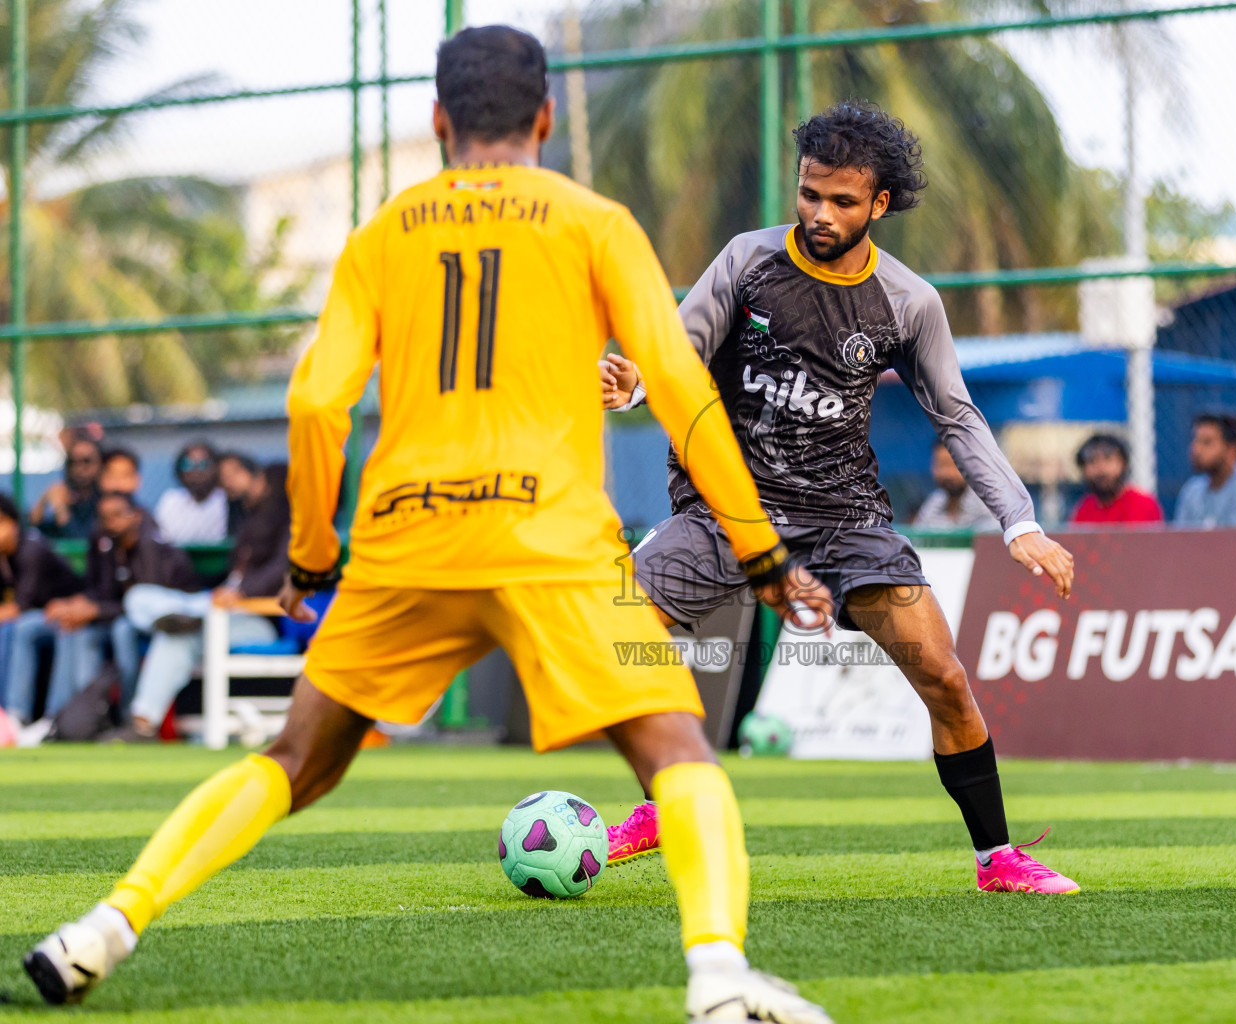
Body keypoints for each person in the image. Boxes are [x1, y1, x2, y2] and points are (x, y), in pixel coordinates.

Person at [25, 26, 837, 1024]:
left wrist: (313, 556)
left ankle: (104, 925)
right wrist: (758, 546)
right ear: (545, 118)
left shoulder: (383, 232)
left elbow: (317, 405)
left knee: (293, 760)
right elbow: (675, 384)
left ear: (439, 121)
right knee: (678, 752)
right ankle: (718, 979)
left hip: (404, 540)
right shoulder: (594, 220)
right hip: (561, 549)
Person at [598, 100, 1080, 895]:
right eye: (809, 193)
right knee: (616, 618)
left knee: (943, 675)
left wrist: (1018, 520)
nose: (820, 214)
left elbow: (955, 414)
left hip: (844, 520)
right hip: (726, 510)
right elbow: (676, 349)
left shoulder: (908, 301)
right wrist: (638, 381)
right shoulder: (747, 261)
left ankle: (997, 857)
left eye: (842, 201)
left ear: (880, 204)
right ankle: (660, 805)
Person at [103, 464, 291, 742]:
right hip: (215, 609)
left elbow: (281, 570)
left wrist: (243, 594)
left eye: (261, 481)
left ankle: (142, 724)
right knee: (138, 596)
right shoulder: (248, 522)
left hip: (253, 618)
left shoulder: (294, 526)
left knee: (178, 636)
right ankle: (175, 616)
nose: (252, 486)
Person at [43, 492, 198, 715]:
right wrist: (77, 603)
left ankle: (127, 714)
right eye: (104, 517)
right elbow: (104, 592)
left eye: (117, 515)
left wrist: (95, 610)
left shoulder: (151, 547)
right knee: (77, 629)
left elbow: (145, 606)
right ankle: (74, 715)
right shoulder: (104, 542)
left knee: (122, 630)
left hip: (172, 622)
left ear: (135, 516)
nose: (110, 522)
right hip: (119, 616)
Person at [0, 494, 84, 724]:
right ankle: (10, 716)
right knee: (10, 630)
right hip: (40, 618)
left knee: (19, 628)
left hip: (72, 613)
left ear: (12, 523)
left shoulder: (32, 548)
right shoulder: (3, 556)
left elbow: (20, 608)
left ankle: (26, 716)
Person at [1172, 413, 1236, 528]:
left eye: (1207, 442)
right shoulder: (1191, 491)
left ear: (1233, 450)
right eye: (1195, 440)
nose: (1196, 449)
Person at [1068, 434, 1164, 526]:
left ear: (1123, 463)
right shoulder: (1083, 510)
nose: (1101, 468)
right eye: (1092, 461)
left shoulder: (1144, 505)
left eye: (1108, 459)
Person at [909, 441, 1000, 531]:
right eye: (941, 465)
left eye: (954, 465)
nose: (947, 474)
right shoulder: (934, 503)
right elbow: (918, 538)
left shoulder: (986, 503)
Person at [153, 441, 228, 544]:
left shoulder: (226, 500)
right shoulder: (171, 500)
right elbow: (161, 541)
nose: (196, 471)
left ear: (216, 468)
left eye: (203, 464)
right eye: (188, 464)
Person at [32, 436, 102, 539]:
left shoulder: (104, 499)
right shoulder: (68, 495)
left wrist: (60, 508)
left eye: (86, 461)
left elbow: (80, 541)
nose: (79, 468)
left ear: (100, 464)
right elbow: (34, 530)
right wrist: (44, 500)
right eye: (72, 462)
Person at [218, 452, 259, 536]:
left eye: (232, 474)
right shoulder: (233, 507)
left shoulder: (275, 505)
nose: (227, 483)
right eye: (223, 478)